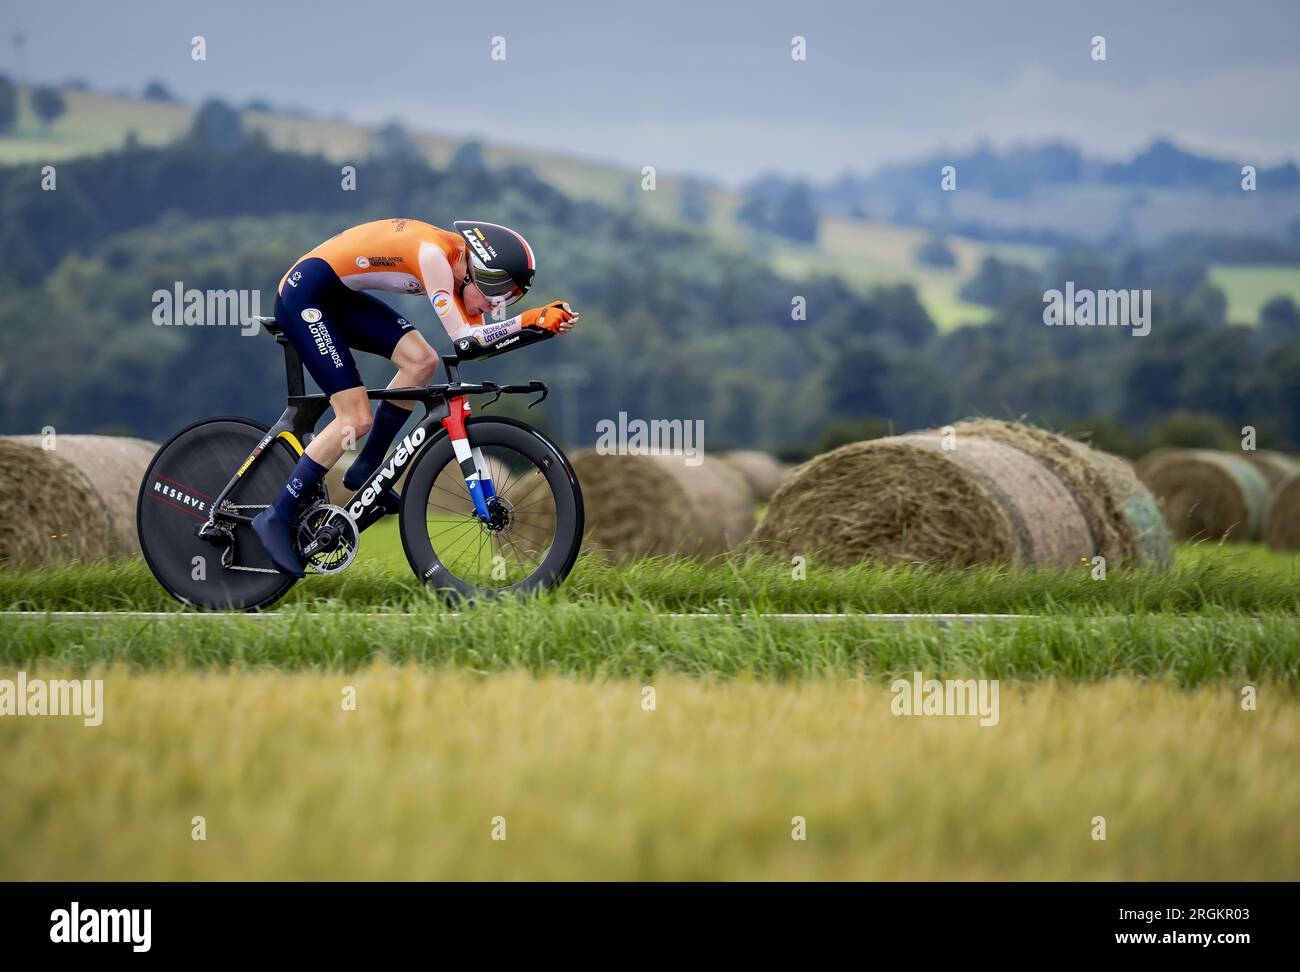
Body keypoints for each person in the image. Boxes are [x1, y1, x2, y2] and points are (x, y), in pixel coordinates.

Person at [251, 217, 579, 576]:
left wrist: (540, 327)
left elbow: (480, 345)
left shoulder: (462, 270)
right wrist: (529, 319)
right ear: (477, 272)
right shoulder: (435, 257)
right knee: (355, 418)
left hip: (337, 297)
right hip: (305, 297)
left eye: (511, 298)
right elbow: (466, 341)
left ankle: (366, 469)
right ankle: (277, 515)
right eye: (498, 294)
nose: (495, 305)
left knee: (422, 362)